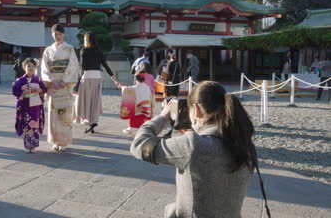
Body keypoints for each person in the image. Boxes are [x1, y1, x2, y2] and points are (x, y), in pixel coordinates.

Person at [130, 81, 257, 218]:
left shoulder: (192, 146)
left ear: (196, 110)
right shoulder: (245, 144)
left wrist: (162, 117)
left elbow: (139, 145)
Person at [41, 24, 79, 151]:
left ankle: (64, 141)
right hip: (53, 85)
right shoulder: (48, 50)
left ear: (63, 34)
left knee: (65, 113)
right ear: (52, 35)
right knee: (53, 113)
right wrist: (52, 81)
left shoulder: (69, 48)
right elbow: (44, 67)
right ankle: (55, 140)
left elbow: (73, 65)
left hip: (65, 84)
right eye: (55, 34)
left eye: (60, 34)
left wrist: (64, 80)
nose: (57, 36)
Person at [73, 31, 120, 134]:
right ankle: (93, 122)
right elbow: (106, 67)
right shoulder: (99, 51)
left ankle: (89, 122)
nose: (84, 42)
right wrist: (115, 81)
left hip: (87, 78)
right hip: (97, 78)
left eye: (85, 40)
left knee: (85, 101)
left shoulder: (83, 51)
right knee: (94, 101)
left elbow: (83, 68)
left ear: (88, 40)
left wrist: (76, 85)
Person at [12, 58, 48, 153]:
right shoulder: (20, 80)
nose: (31, 68)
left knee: (34, 124)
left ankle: (34, 145)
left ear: (36, 68)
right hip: (25, 106)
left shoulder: (38, 79)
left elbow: (45, 89)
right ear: (24, 67)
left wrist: (39, 90)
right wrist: (23, 92)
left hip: (35, 106)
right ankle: (27, 145)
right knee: (26, 125)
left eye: (33, 66)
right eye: (28, 66)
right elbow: (14, 91)